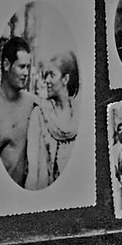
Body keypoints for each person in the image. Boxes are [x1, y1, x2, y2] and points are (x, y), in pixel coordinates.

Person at [24, 51, 79, 192]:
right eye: (46, 75)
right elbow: (33, 169)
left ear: (65, 79)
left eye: (52, 75)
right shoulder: (39, 114)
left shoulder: (79, 115)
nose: (46, 80)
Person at [0, 36, 37, 187]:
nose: (26, 73)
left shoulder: (33, 104)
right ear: (6, 65)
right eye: (21, 67)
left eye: (28, 67)